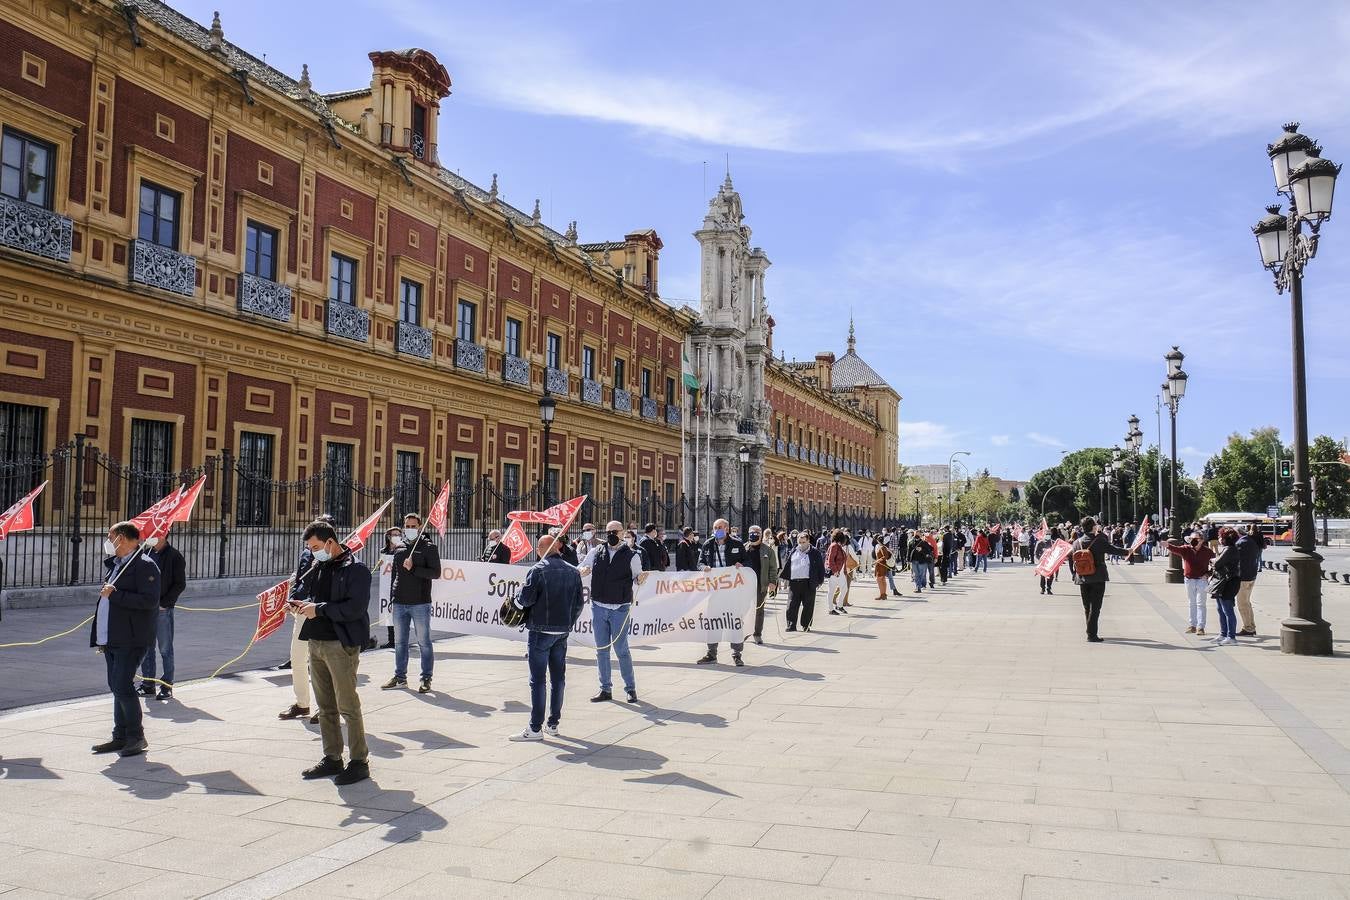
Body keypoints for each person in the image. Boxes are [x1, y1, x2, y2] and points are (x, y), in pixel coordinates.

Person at [292, 520, 372, 785]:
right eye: (309, 548)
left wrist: (320, 609)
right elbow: (307, 593)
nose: (312, 552)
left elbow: (354, 609)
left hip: (341, 643)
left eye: (315, 547)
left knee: (347, 705)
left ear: (330, 542)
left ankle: (359, 761)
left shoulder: (356, 569)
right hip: (316, 640)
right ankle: (332, 758)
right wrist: (299, 604)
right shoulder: (318, 566)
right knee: (325, 707)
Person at [90, 522, 160, 757]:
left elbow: (149, 602)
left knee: (122, 685)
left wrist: (116, 595)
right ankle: (120, 736)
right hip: (112, 637)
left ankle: (136, 736)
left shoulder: (145, 566)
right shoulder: (118, 564)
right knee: (116, 686)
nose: (109, 541)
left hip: (131, 638)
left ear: (122, 538)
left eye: (111, 536)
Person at [508, 535, 586, 741]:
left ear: (543, 548)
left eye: (538, 547)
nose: (537, 550)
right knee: (558, 679)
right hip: (561, 631)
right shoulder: (573, 571)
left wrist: (516, 595)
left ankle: (535, 728)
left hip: (540, 630)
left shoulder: (538, 569)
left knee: (538, 680)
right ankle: (553, 724)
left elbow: (525, 599)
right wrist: (568, 623)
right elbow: (579, 603)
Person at [579, 519, 645, 703]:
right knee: (602, 650)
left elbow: (637, 578)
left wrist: (641, 578)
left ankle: (630, 688)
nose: (611, 535)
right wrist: (583, 570)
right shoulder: (596, 551)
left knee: (621, 649)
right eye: (608, 531)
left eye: (615, 531)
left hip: (620, 608)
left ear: (622, 532)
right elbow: (583, 567)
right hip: (599, 606)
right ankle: (605, 689)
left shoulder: (632, 555)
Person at [279, 514, 335, 724]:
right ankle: (302, 703)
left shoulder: (337, 558)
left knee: (324, 664)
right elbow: (302, 582)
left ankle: (326, 707)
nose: (313, 548)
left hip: (322, 615)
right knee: (298, 658)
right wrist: (293, 601)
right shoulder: (306, 555)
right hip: (302, 612)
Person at [382, 514, 442, 694]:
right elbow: (395, 574)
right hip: (400, 602)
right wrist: (393, 596)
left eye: (413, 525)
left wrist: (414, 568)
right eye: (407, 525)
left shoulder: (428, 547)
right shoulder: (399, 547)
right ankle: (400, 677)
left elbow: (436, 573)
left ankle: (426, 678)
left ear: (420, 526)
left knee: (424, 642)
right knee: (400, 643)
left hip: (420, 603)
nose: (409, 528)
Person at [137, 532, 185, 700]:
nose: (149, 537)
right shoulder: (146, 554)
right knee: (146, 648)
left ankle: (166, 685)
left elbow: (180, 583)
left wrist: (166, 603)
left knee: (165, 648)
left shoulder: (174, 556)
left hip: (163, 609)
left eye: (154, 534)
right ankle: (148, 683)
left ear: (164, 535)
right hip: (146, 609)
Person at [1072, 517, 1133, 642]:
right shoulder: (1098, 540)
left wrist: (1075, 574)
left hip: (1082, 578)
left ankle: (1090, 630)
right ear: (1094, 527)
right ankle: (1092, 634)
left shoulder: (1077, 542)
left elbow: (1072, 560)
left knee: (1087, 607)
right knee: (1095, 607)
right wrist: (1128, 551)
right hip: (1097, 577)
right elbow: (1113, 550)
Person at [698, 518, 748, 664]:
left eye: (719, 527)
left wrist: (742, 564)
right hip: (714, 591)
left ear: (726, 528)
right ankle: (711, 652)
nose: (716, 529)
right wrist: (703, 568)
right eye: (715, 527)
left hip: (732, 591)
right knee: (713, 621)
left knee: (734, 621)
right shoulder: (708, 544)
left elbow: (747, 561)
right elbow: (700, 562)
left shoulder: (737, 544)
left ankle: (737, 653)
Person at [1165, 532, 1216, 636]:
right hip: (1189, 579)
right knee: (1192, 603)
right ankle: (1192, 625)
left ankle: (1200, 627)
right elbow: (1175, 549)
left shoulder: (1208, 551)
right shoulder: (1186, 549)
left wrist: (1208, 574)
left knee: (1201, 604)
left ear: (1201, 540)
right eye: (1192, 538)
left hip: (1202, 580)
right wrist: (1167, 545)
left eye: (1196, 539)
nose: (1193, 541)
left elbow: (1215, 565)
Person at [781, 532, 825, 632]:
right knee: (792, 605)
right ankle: (791, 625)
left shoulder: (815, 552)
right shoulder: (794, 551)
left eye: (803, 542)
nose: (801, 544)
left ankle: (806, 625)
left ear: (808, 541)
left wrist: (820, 581)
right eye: (799, 542)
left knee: (808, 605)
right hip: (794, 582)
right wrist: (785, 577)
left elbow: (820, 568)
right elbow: (788, 564)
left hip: (808, 582)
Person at [1211, 529, 1242, 646]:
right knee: (1220, 609)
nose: (1219, 539)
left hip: (1229, 582)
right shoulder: (1228, 549)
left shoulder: (1229, 550)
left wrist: (1213, 560)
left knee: (1227, 609)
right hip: (1223, 582)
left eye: (1220, 537)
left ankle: (1231, 636)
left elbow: (1217, 563)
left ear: (1225, 539)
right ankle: (1223, 633)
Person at [1234, 525, 1267, 637]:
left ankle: (1248, 628)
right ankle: (1251, 626)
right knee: (1247, 602)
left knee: (1242, 604)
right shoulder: (1251, 541)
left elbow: (1234, 558)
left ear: (1238, 534)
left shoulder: (1240, 543)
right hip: (1251, 576)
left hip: (1243, 577)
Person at [747, 526, 777, 646]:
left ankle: (757, 634)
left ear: (760, 534)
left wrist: (772, 582)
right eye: (752, 533)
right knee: (745, 611)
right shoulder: (744, 548)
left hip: (761, 584)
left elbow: (773, 568)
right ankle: (744, 632)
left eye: (757, 533)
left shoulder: (767, 550)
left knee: (759, 610)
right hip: (745, 585)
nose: (754, 534)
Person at [376, 527, 401, 650]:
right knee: (388, 613)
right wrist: (379, 564)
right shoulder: (384, 551)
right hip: (386, 586)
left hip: (399, 585)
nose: (396, 536)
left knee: (399, 614)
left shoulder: (402, 549)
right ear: (388, 536)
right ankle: (391, 640)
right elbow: (380, 567)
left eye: (398, 534)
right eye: (393, 534)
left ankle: (400, 639)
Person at [825, 529, 852, 615]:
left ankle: (839, 606)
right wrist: (835, 571)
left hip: (840, 572)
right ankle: (830, 609)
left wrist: (843, 571)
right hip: (835, 572)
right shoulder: (834, 546)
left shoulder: (838, 545)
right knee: (831, 590)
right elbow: (830, 560)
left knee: (844, 589)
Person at [1034, 530, 1056, 595]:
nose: (1048, 535)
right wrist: (1040, 559)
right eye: (1047, 534)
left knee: (1051, 576)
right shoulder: (1040, 543)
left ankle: (1049, 588)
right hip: (1043, 563)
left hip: (1051, 562)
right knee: (1043, 576)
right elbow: (1036, 553)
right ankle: (1043, 588)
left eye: (1049, 534)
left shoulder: (1053, 543)